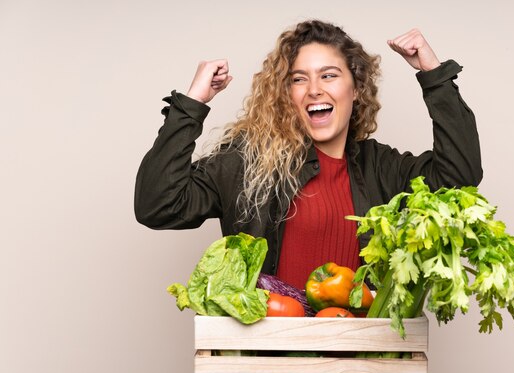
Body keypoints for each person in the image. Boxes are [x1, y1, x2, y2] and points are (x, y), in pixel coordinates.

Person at [134, 20, 482, 289]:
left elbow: (458, 178)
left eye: (329, 75)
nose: (314, 89)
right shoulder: (249, 162)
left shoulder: (381, 168)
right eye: (298, 79)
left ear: (356, 88)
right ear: (285, 94)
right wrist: (191, 105)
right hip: (266, 368)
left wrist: (434, 77)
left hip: (361, 369)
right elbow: (159, 205)